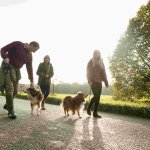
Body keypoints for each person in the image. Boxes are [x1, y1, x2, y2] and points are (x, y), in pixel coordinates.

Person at [0, 41, 40, 119]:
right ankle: (11, 111)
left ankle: (7, 104)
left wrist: (31, 80)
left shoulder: (30, 55)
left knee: (15, 91)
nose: (35, 52)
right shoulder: (18, 44)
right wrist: (5, 57)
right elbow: (3, 49)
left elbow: (29, 68)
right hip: (7, 67)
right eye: (35, 49)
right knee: (9, 89)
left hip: (16, 71)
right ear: (31, 45)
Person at [86, 50, 108, 118]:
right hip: (93, 82)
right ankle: (88, 107)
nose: (95, 54)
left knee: (98, 98)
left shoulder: (101, 62)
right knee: (96, 96)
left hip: (99, 82)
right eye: (94, 53)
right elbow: (87, 72)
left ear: (99, 54)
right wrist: (89, 80)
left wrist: (106, 81)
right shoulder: (90, 62)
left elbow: (103, 73)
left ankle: (95, 112)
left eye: (97, 53)